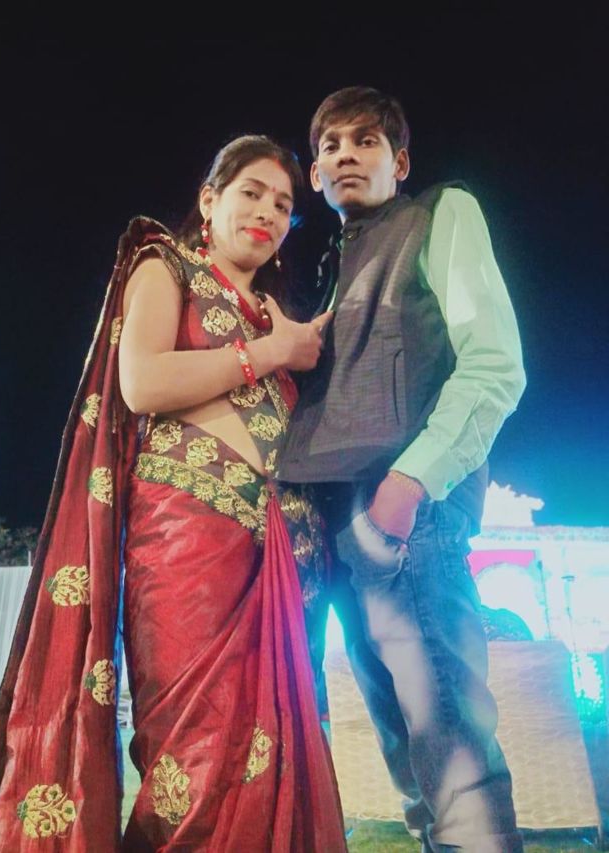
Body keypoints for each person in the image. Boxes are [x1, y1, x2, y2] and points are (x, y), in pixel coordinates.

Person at [0, 136, 346, 852]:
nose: (267, 212)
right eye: (251, 192)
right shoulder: (165, 264)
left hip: (281, 558)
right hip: (184, 544)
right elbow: (142, 382)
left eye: (283, 205)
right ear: (209, 200)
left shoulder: (277, 314)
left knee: (274, 763)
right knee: (191, 762)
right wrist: (272, 353)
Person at [278, 87, 527, 852]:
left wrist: (413, 480)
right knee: (402, 743)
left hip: (403, 510)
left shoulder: (440, 214)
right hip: (331, 519)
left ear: (401, 161)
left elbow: (494, 365)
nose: (346, 154)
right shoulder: (321, 269)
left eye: (366, 140)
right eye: (330, 145)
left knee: (447, 732)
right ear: (314, 174)